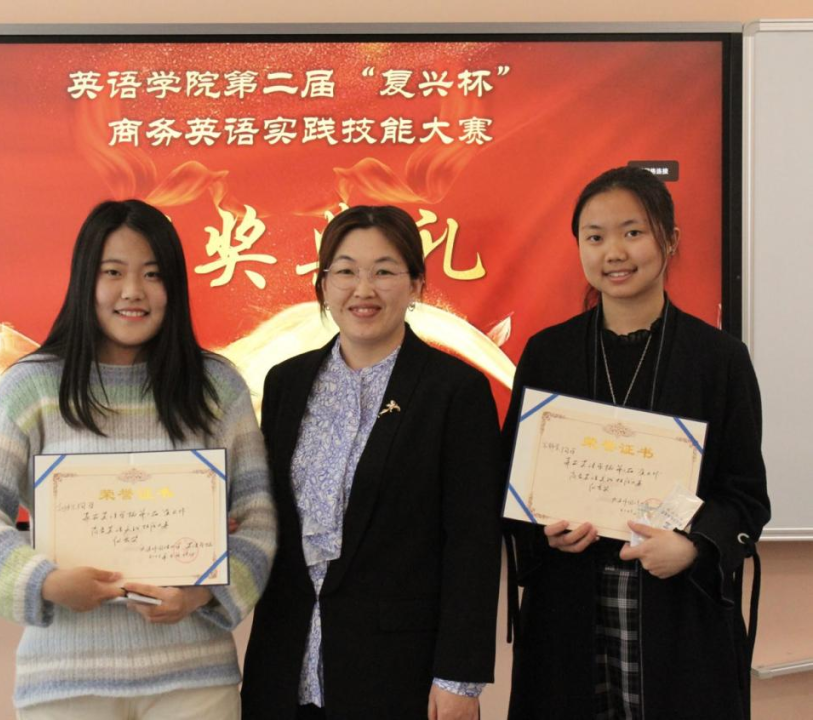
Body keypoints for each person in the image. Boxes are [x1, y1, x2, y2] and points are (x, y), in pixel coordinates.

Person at [0, 199, 276, 720]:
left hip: (194, 680)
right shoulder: (32, 387)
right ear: (85, 282)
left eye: (152, 274)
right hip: (66, 684)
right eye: (113, 272)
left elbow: (258, 519)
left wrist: (201, 594)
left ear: (173, 287)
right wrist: (47, 582)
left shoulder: (216, 388)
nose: (133, 291)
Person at [502, 167, 770, 720]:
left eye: (633, 232)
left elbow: (745, 495)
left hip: (680, 619)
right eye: (595, 237)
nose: (614, 252)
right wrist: (542, 530)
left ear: (669, 240)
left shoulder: (718, 359)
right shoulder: (548, 353)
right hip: (568, 617)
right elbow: (512, 483)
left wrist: (694, 547)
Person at [241, 205, 505, 720]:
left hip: (397, 671)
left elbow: (472, 544)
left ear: (416, 285)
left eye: (384, 271)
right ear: (323, 285)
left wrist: (460, 678)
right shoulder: (286, 383)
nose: (363, 289)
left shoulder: (455, 391)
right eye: (345, 271)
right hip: (284, 661)